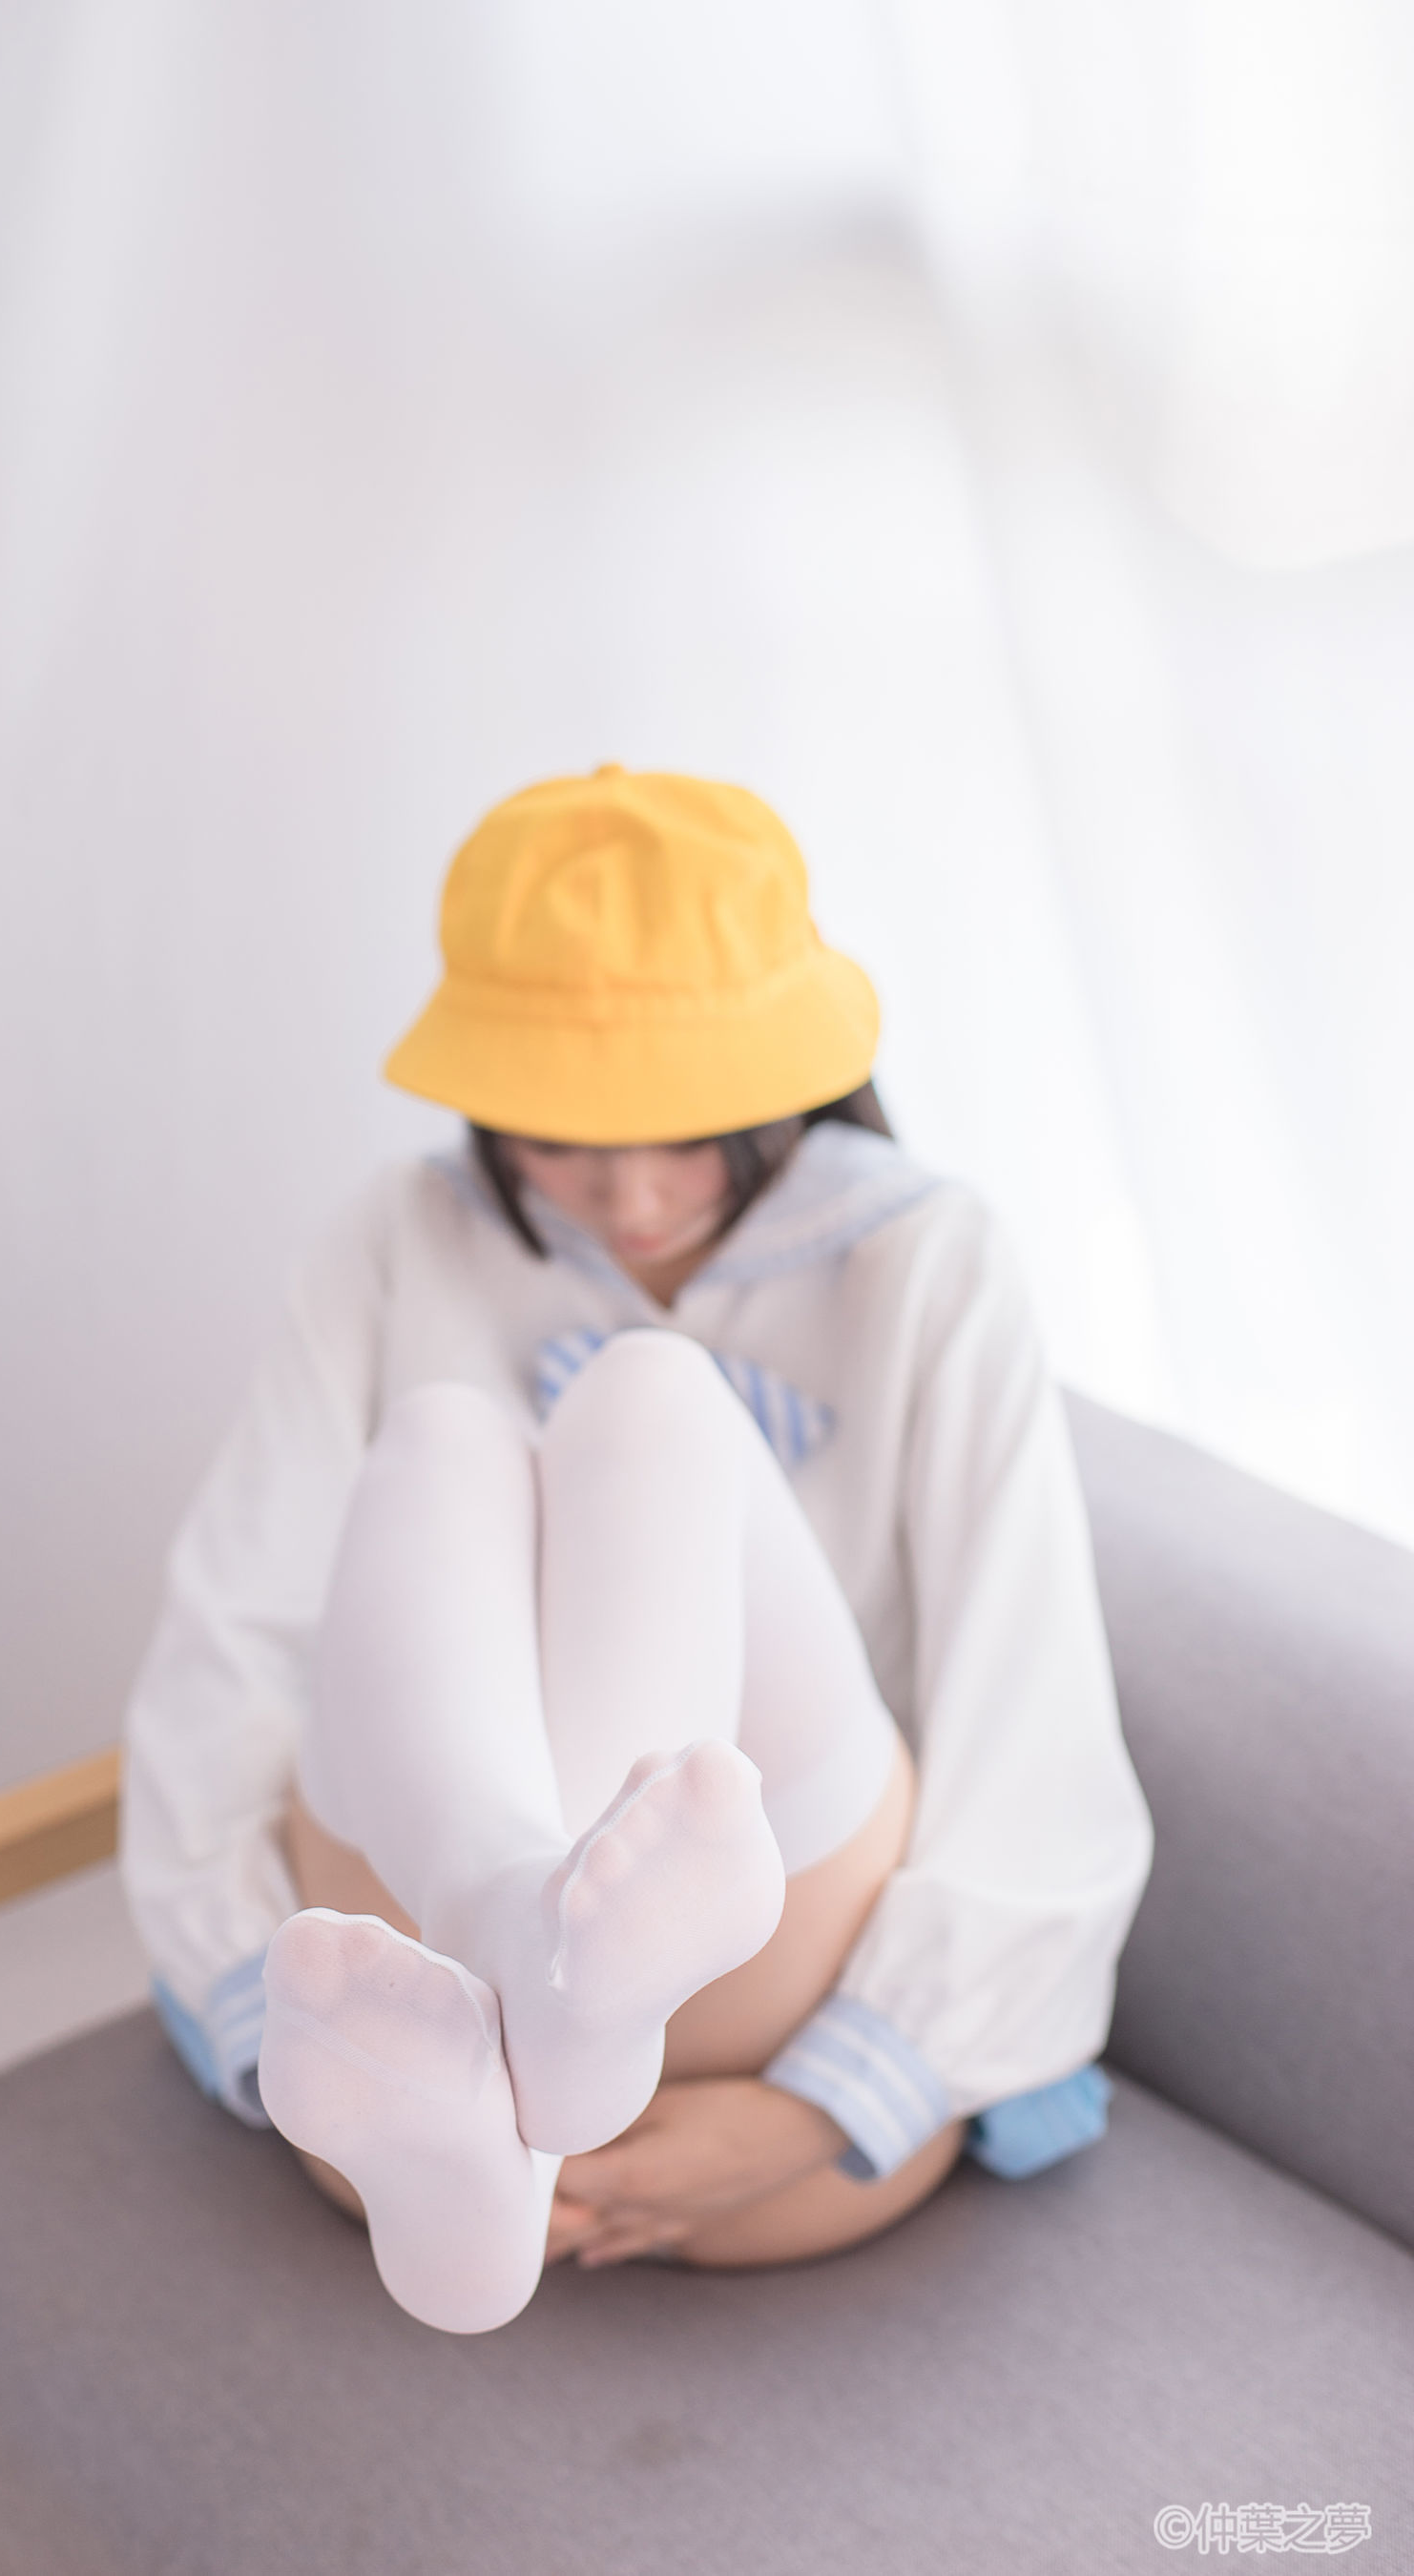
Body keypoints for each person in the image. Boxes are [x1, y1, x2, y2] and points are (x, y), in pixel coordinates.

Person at [121, 763, 1154, 2336]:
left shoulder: (925, 1262)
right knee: (443, 1447)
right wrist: (261, 2004)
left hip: (771, 2042)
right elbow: (238, 1634)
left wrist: (827, 2099)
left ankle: (536, 2003)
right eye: (561, 1139)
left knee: (650, 1400)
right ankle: (520, 1950)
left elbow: (1027, 1697)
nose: (634, 1197)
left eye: (693, 1132)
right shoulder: (399, 1238)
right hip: (419, 2028)